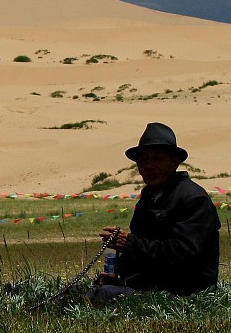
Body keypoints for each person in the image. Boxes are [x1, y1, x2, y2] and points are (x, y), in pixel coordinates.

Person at [92, 123, 220, 302]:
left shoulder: (193, 199)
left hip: (184, 293)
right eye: (143, 160)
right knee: (78, 293)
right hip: (149, 286)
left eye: (157, 158)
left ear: (175, 162)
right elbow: (142, 252)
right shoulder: (149, 199)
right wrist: (121, 276)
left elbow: (182, 255)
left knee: (98, 296)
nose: (149, 166)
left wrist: (130, 244)